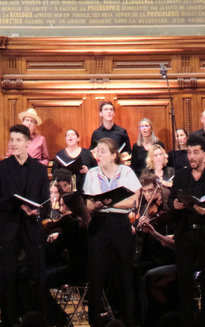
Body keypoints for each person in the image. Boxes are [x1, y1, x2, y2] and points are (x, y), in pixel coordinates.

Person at [0, 124, 50, 327]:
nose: (13, 144)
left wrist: (36, 211)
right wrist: (14, 205)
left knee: (35, 278)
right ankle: (8, 321)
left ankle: (36, 321)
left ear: (28, 143)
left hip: (31, 229)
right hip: (9, 228)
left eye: (18, 140)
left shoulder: (40, 170)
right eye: (11, 139)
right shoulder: (1, 167)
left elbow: (46, 205)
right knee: (8, 278)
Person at [169, 136, 205, 327]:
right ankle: (188, 321)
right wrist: (174, 204)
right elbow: (170, 201)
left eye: (195, 152)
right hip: (185, 233)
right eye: (188, 152)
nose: (191, 156)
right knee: (184, 282)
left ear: (204, 153)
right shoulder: (180, 176)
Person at [83, 137, 140, 326]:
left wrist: (110, 202)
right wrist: (97, 204)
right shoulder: (92, 174)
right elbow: (88, 204)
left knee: (124, 274)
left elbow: (133, 200)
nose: (98, 154)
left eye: (102, 151)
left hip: (119, 223)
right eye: (97, 151)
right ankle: (95, 323)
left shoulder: (126, 172)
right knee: (96, 275)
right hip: (99, 224)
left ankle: (129, 321)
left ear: (113, 155)